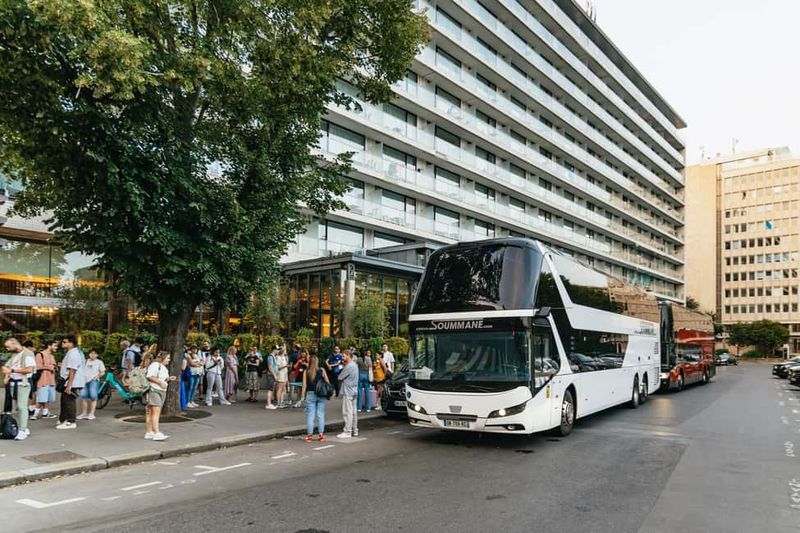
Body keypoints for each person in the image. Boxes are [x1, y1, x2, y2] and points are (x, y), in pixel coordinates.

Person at [2, 337, 36, 440]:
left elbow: (30, 369)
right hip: (14, 384)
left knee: (22, 407)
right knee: (18, 407)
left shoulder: (27, 354)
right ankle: (23, 427)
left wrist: (12, 370)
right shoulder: (14, 355)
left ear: (14, 344)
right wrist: (7, 373)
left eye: (8, 346)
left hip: (23, 383)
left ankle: (23, 429)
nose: (8, 349)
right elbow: (6, 367)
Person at [144, 351, 176, 441]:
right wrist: (160, 382)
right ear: (163, 358)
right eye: (168, 358)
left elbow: (159, 377)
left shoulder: (162, 367)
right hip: (155, 390)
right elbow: (149, 376)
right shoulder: (155, 365)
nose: (169, 360)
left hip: (160, 390)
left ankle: (149, 432)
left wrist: (168, 379)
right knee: (156, 412)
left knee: (151, 412)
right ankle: (157, 433)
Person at [57, 335, 86, 429]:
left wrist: (69, 385)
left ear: (71, 343)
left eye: (65, 342)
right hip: (72, 380)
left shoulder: (73, 353)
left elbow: (73, 370)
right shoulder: (73, 352)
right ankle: (64, 419)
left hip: (72, 381)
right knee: (65, 400)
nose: (62, 344)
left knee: (69, 400)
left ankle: (71, 421)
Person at [301, 353, 330, 442]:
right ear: (317, 362)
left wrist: (302, 396)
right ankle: (321, 435)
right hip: (321, 395)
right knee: (320, 415)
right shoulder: (322, 370)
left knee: (310, 415)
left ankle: (309, 436)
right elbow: (327, 382)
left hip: (310, 394)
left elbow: (304, 385)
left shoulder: (307, 371)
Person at [31, 339, 59, 420]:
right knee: (41, 398)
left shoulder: (52, 356)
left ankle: (45, 413)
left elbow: (54, 367)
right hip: (43, 379)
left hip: (51, 379)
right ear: (49, 346)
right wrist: (49, 367)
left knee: (48, 398)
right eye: (55, 345)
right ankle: (35, 414)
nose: (56, 347)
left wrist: (56, 368)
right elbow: (37, 366)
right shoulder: (40, 355)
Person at [76, 349, 105, 420]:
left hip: (93, 381)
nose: (93, 355)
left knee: (93, 396)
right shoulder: (86, 361)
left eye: (95, 354)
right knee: (83, 396)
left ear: (97, 355)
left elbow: (102, 372)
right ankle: (84, 413)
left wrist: (97, 377)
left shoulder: (99, 362)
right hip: (84, 381)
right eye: (91, 353)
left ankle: (91, 414)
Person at [337, 349, 359, 439]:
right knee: (353, 412)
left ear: (347, 355)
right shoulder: (355, 365)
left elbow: (340, 377)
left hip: (348, 391)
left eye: (343, 356)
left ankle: (347, 431)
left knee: (347, 412)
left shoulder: (349, 366)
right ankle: (355, 430)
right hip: (354, 390)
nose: (342, 357)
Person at [263, 345, 278, 410]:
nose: (278, 351)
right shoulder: (270, 357)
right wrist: (275, 375)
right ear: (274, 350)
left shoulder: (273, 356)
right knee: (270, 389)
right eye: (277, 349)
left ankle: (269, 403)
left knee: (271, 389)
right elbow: (270, 367)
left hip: (272, 375)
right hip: (271, 375)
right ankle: (268, 404)